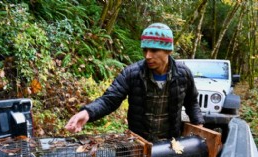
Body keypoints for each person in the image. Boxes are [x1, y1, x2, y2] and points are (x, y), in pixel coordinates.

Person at [65, 23, 204, 142]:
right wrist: (87, 113)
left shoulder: (183, 74)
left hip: (170, 144)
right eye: (145, 50)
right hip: (139, 142)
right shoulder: (132, 73)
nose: (147, 56)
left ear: (168, 50)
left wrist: (198, 125)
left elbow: (191, 102)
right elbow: (110, 100)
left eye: (154, 50)